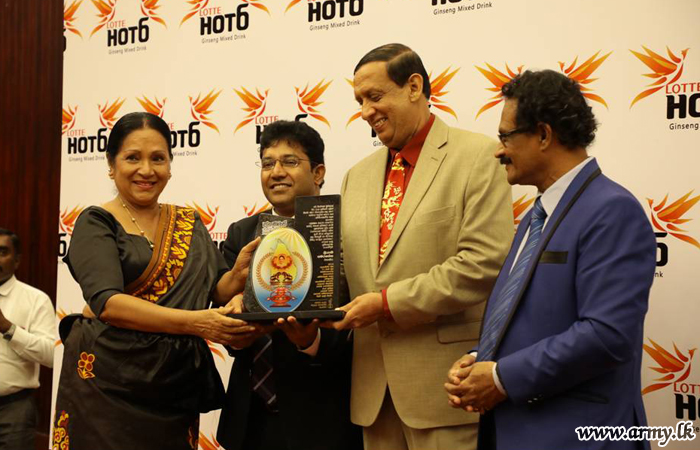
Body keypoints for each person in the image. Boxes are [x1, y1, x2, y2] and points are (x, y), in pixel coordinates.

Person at [444, 70, 656, 450]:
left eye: (505, 137)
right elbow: (530, 316)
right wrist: (481, 360)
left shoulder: (612, 210)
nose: (498, 151)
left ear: (543, 135)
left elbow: (607, 336)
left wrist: (500, 378)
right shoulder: (536, 215)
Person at [334, 43, 513, 450]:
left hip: (446, 392)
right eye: (360, 101)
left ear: (414, 87)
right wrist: (295, 303)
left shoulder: (478, 156)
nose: (365, 112)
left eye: (374, 96)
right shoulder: (355, 177)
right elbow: (345, 273)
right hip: (373, 398)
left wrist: (386, 304)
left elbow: (483, 263)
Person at [52, 112, 259, 450]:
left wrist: (236, 277)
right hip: (108, 384)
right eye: (133, 157)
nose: (146, 170)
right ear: (111, 164)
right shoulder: (97, 221)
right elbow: (108, 303)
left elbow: (214, 290)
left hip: (173, 383)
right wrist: (196, 323)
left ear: (170, 166)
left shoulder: (187, 222)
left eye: (158, 158)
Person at [217, 120, 362, 450]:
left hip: (323, 417)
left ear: (318, 172)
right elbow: (223, 323)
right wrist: (236, 324)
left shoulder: (348, 231)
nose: (276, 172)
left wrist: (311, 342)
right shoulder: (242, 233)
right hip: (249, 421)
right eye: (268, 164)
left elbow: (362, 320)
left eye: (290, 162)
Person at [0, 228, 56, 450]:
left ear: (17, 260)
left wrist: (9, 328)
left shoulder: (35, 300)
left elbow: (52, 355)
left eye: (2, 252)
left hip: (13, 409)